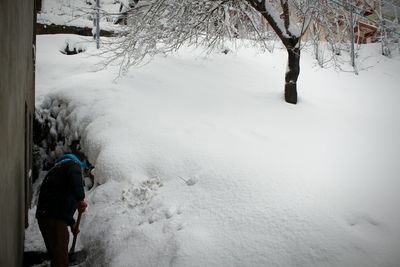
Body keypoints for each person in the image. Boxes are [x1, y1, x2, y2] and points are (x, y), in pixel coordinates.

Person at [36, 152, 88, 267]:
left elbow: (60, 200)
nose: (82, 171)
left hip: (44, 218)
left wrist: (72, 223)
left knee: (55, 254)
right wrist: (80, 199)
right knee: (60, 257)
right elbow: (75, 181)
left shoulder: (56, 170)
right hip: (55, 218)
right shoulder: (73, 165)